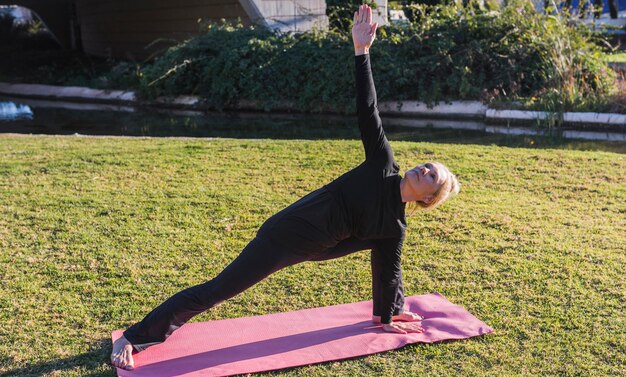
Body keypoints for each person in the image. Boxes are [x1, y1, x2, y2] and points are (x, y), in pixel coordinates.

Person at [110, 4, 460, 370]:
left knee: (386, 246)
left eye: (431, 175)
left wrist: (387, 317)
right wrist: (361, 51)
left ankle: (386, 312)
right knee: (218, 290)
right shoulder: (383, 165)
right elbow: (368, 110)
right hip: (286, 235)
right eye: (427, 164)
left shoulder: (395, 226)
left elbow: (389, 271)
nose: (424, 168)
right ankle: (136, 336)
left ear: (428, 199)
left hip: (317, 245)